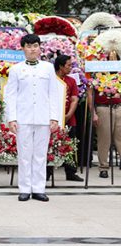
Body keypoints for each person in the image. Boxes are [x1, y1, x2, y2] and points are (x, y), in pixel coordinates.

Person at [4, 34, 62, 202]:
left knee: (40, 155)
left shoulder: (48, 68)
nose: (32, 49)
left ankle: (38, 189)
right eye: (28, 46)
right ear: (23, 48)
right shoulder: (16, 69)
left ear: (39, 47)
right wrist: (12, 118)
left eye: (35, 46)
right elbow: (11, 95)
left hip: (43, 117)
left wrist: (54, 117)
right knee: (24, 155)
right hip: (23, 117)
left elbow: (53, 93)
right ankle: (24, 189)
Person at [88, 51, 121, 179]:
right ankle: (103, 167)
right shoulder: (97, 74)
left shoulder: (119, 74)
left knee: (120, 138)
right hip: (103, 108)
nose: (112, 59)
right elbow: (90, 94)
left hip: (118, 107)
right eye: (109, 57)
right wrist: (93, 113)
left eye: (115, 57)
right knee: (104, 139)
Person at [51, 54, 83, 181]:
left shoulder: (72, 81)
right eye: (68, 65)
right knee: (50, 145)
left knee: (69, 146)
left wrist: (69, 114)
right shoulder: (51, 79)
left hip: (70, 119)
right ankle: (47, 172)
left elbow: (74, 99)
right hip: (52, 120)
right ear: (60, 66)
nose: (71, 68)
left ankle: (70, 173)